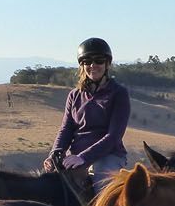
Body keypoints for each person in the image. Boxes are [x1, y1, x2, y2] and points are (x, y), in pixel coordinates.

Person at [42, 37, 130, 190]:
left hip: (108, 156)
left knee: (103, 190)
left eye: (99, 61)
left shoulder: (119, 94)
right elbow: (66, 129)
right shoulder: (74, 96)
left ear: (107, 64)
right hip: (76, 157)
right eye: (87, 61)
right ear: (82, 65)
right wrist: (55, 153)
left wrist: (83, 157)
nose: (93, 65)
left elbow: (113, 136)